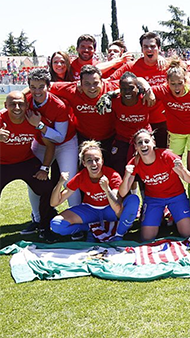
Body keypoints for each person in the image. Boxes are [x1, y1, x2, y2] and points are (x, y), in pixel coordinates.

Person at [23, 68, 79, 236]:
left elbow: (59, 138)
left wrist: (39, 125)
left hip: (66, 143)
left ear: (48, 86)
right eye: (33, 87)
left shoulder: (58, 105)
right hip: (40, 143)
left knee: (70, 181)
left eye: (41, 86)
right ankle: (38, 219)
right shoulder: (26, 101)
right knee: (33, 182)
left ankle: (76, 220)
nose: (37, 91)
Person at [49, 141, 140, 241]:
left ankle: (119, 234)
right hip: (90, 210)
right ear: (84, 163)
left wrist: (107, 189)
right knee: (56, 225)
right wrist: (60, 183)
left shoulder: (112, 175)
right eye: (89, 160)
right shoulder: (80, 177)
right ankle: (90, 228)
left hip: (110, 210)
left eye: (97, 160)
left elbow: (117, 209)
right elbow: (54, 203)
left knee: (133, 199)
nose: (94, 164)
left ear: (102, 160)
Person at [118, 129, 190, 241]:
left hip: (176, 196)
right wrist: (126, 176)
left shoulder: (166, 155)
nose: (143, 145)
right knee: (147, 237)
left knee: (188, 234)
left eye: (146, 141)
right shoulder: (135, 162)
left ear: (153, 142)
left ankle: (172, 214)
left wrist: (182, 169)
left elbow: (189, 179)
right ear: (135, 147)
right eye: (140, 143)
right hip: (153, 199)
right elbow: (122, 192)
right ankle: (161, 215)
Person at [0, 91, 57, 242]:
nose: (17, 107)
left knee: (46, 187)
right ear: (6, 106)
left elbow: (50, 145)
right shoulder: (0, 119)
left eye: (21, 103)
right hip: (2, 164)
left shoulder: (33, 120)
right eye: (12, 104)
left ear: (26, 106)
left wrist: (44, 168)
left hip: (25, 161)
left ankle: (44, 227)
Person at [151, 58, 190, 203]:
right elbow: (141, 85)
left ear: (186, 81)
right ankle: (175, 201)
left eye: (180, 83)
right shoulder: (162, 90)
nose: (176, 87)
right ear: (167, 83)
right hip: (175, 134)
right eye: (172, 84)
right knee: (173, 167)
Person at [110, 32, 169, 149]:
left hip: (162, 120)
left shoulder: (166, 66)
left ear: (159, 48)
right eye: (145, 46)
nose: (149, 49)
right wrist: (140, 82)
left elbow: (183, 78)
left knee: (160, 155)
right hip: (139, 121)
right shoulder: (131, 66)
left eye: (153, 46)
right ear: (141, 49)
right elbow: (111, 82)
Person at [108, 72, 152, 176]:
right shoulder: (114, 101)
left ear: (138, 88)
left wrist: (149, 90)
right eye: (123, 89)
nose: (127, 92)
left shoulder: (147, 98)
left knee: (146, 170)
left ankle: (145, 191)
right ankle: (130, 192)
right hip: (122, 139)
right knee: (123, 171)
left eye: (131, 88)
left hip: (143, 140)